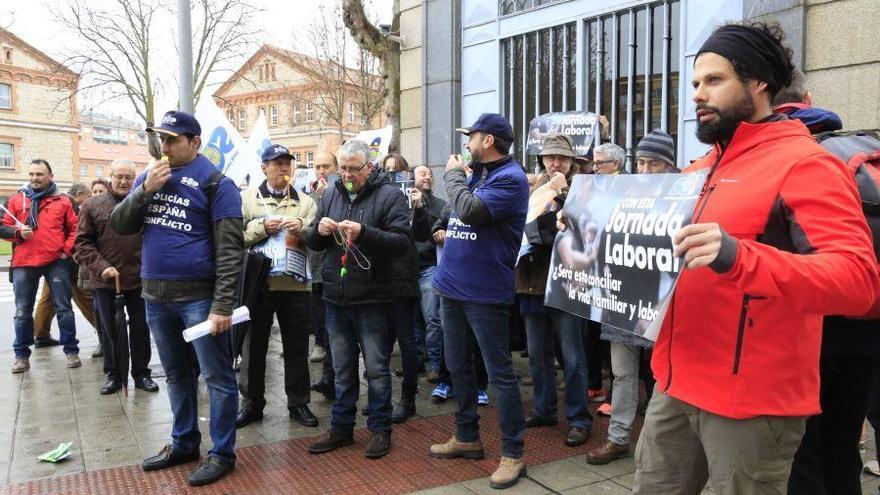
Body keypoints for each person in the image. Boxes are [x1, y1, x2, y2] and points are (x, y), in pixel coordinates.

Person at [633, 23, 879, 494]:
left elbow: (858, 278)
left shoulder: (806, 163)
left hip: (750, 404)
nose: (698, 95)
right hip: (673, 383)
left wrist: (738, 256)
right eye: (695, 84)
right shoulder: (697, 169)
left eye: (714, 80)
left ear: (758, 83)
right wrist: (586, 229)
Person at [110, 111, 244, 486]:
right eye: (160, 140)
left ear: (194, 142)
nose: (164, 148)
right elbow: (120, 224)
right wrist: (144, 190)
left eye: (172, 140)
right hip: (156, 297)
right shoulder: (149, 177)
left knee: (217, 377)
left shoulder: (217, 184)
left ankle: (222, 453)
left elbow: (231, 251)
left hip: (199, 300)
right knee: (176, 375)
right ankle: (184, 442)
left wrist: (222, 306)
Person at [780, 71, 876, 494]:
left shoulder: (784, 155)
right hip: (869, 321)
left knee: (805, 450)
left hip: (811, 326)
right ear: (810, 97)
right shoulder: (860, 147)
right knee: (845, 440)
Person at [429, 113, 530, 490]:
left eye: (471, 137)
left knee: (499, 374)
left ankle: (513, 453)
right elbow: (455, 213)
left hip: (485, 293)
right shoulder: (479, 174)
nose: (466, 143)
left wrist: (453, 175)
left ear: (487, 141)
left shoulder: (511, 178)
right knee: (457, 365)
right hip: (451, 287)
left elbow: (470, 211)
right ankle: (467, 435)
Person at [305, 139, 410, 459]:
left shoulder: (389, 196)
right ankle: (342, 428)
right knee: (342, 368)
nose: (347, 176)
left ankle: (380, 429)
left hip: (373, 298)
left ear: (370, 167)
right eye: (343, 169)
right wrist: (318, 231)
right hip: (336, 298)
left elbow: (402, 243)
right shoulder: (330, 193)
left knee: (377, 369)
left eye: (353, 169)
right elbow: (312, 241)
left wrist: (364, 233)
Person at [586, 130, 675, 466]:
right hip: (621, 300)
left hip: (661, 303)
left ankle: (657, 446)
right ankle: (618, 438)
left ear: (669, 164)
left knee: (661, 378)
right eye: (642, 162)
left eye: (655, 163)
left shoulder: (683, 196)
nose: (647, 170)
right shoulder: (620, 193)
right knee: (622, 374)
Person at [235, 144, 319, 429]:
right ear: (264, 168)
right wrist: (262, 228)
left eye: (287, 163)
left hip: (295, 284)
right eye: (276, 163)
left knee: (296, 346)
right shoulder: (246, 199)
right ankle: (251, 404)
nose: (283, 168)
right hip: (258, 284)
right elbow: (234, 237)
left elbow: (317, 238)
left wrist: (303, 228)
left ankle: (299, 403)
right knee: (253, 346)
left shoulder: (306, 202)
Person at [516, 132, 591, 448]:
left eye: (562, 157)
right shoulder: (533, 190)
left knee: (572, 357)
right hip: (532, 281)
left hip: (566, 283)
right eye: (550, 157)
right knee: (538, 355)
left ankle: (579, 419)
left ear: (573, 161)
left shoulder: (584, 190)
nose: (555, 162)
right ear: (542, 160)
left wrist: (565, 193)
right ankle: (545, 409)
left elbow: (587, 229)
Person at [75, 160, 157, 395]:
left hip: (141, 278)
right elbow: (82, 242)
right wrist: (102, 267)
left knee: (140, 327)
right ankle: (114, 374)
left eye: (128, 177)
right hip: (106, 280)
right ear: (110, 177)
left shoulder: (144, 202)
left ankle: (142, 373)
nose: (123, 181)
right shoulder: (92, 205)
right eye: (119, 176)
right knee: (111, 329)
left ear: (135, 179)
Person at [1, 159, 81, 373]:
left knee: (64, 308)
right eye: (32, 174)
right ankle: (21, 356)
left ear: (50, 176)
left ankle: (71, 351)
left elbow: (75, 228)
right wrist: (17, 233)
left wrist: (66, 251)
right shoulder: (17, 200)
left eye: (39, 174)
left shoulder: (63, 201)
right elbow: (3, 228)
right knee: (22, 311)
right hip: (24, 262)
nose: (35, 178)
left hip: (56, 261)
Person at [32, 182, 99, 350]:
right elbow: (76, 232)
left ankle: (41, 334)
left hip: (53, 257)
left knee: (47, 298)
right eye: (88, 195)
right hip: (67, 258)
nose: (90, 198)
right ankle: (104, 329)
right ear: (78, 195)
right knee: (84, 296)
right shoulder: (70, 204)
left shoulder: (56, 201)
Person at [381, 152, 422, 424]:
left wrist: (419, 208)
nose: (391, 175)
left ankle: (408, 398)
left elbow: (421, 235)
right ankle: (381, 398)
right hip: (379, 277)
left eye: (397, 171)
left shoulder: (417, 198)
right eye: (387, 170)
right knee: (380, 343)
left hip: (403, 276)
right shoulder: (378, 196)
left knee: (406, 340)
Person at [410, 164, 446, 383]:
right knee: (411, 321)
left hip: (429, 266)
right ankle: (415, 360)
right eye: (423, 173)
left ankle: (435, 364)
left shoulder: (441, 205)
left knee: (432, 317)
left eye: (430, 174)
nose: (428, 176)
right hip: (406, 268)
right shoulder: (400, 204)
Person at [308, 150, 339, 401]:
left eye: (326, 166)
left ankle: (333, 376)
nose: (321, 171)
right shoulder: (310, 196)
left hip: (336, 270)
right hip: (314, 270)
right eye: (317, 166)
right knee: (323, 323)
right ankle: (330, 376)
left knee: (334, 328)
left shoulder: (340, 194)